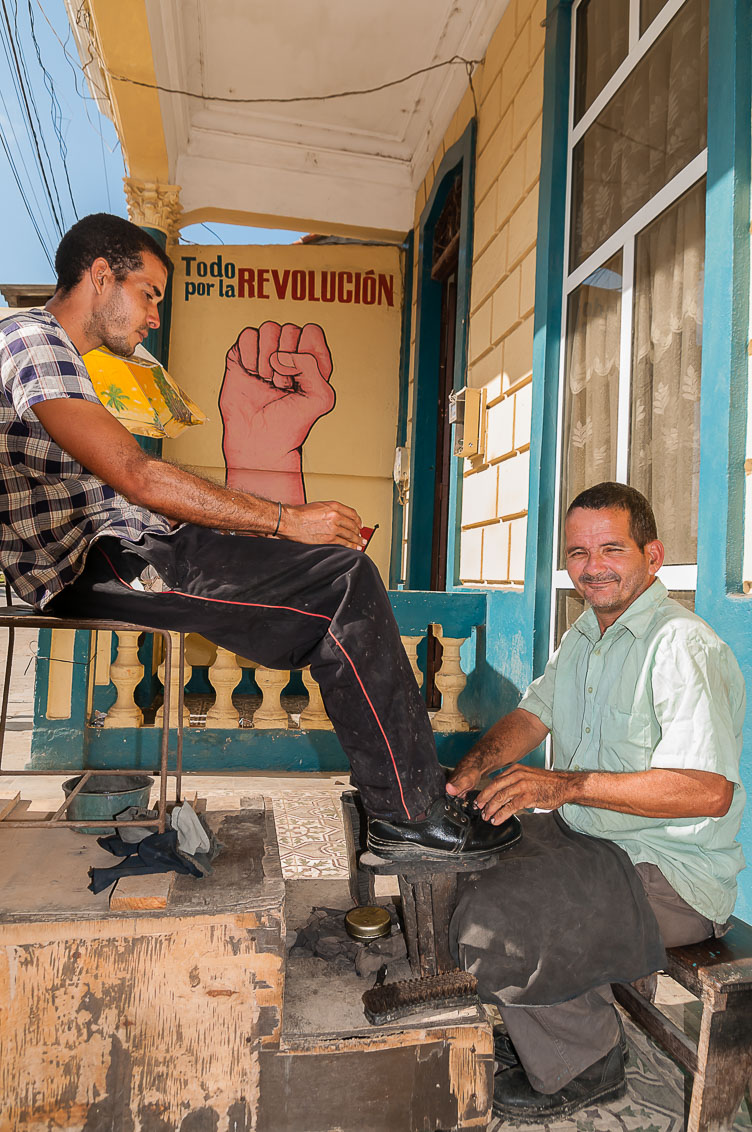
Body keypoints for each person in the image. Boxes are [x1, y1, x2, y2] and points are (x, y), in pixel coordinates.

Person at [0, 212, 520, 860]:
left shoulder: (58, 356)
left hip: (128, 542)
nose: (155, 315)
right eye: (150, 293)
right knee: (343, 580)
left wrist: (282, 527)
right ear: (100, 276)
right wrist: (285, 520)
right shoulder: (33, 338)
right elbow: (135, 474)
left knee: (333, 573)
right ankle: (408, 813)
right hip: (99, 558)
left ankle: (401, 797)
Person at [447, 482, 746, 1122]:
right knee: (467, 864)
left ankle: (588, 1061)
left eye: (611, 548)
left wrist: (567, 786)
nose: (592, 567)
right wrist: (469, 770)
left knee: (501, 924)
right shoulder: (588, 632)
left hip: (672, 874)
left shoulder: (681, 648)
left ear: (653, 555)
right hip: (591, 839)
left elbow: (709, 792)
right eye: (578, 553)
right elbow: (534, 714)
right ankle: (544, 1016)